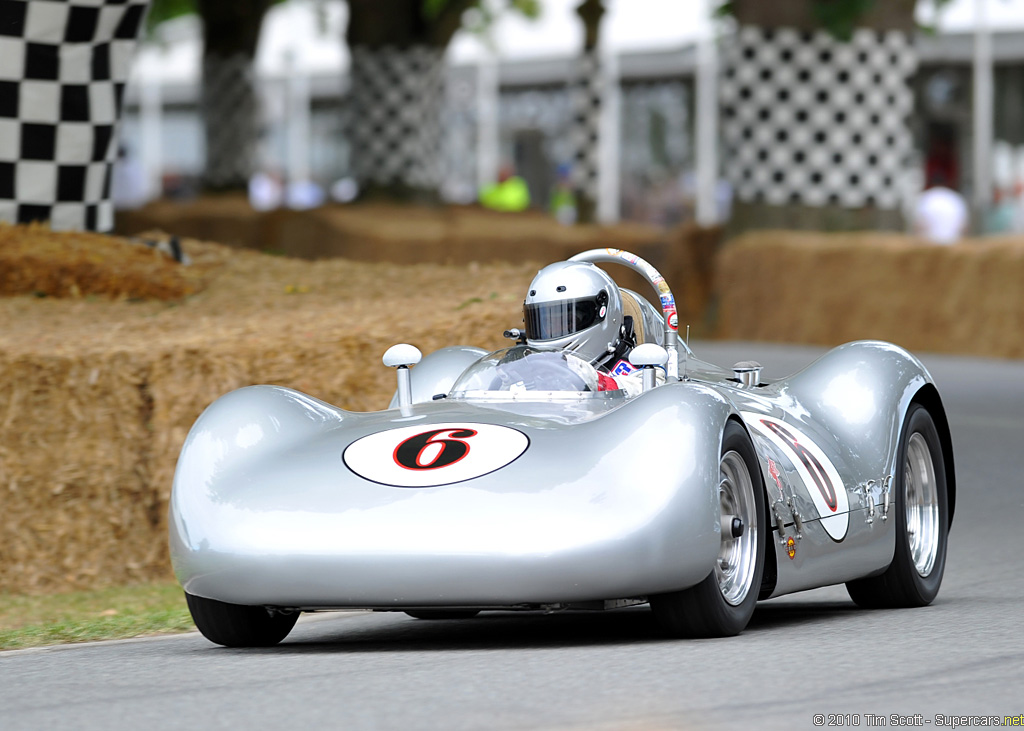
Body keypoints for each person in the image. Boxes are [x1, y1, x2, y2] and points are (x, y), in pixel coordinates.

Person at [521, 260, 663, 395]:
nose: (555, 331)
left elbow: (645, 392)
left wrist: (592, 379)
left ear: (602, 313)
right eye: (548, 323)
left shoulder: (645, 373)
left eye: (568, 321)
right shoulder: (531, 373)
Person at [912, 174, 968, 245]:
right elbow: (964, 227)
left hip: (930, 245)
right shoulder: (956, 198)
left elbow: (919, 226)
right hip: (953, 245)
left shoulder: (925, 198)